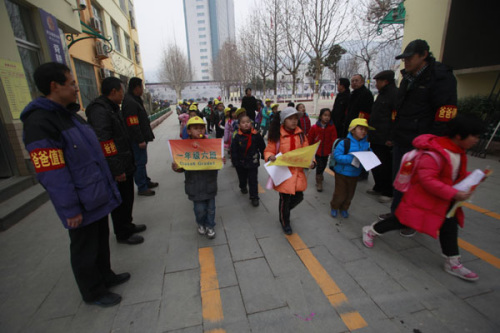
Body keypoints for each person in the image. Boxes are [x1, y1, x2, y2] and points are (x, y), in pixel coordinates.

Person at [21, 62, 128, 307]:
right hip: (80, 200)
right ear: (54, 86)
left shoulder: (69, 115)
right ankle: (93, 292)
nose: (76, 89)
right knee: (85, 248)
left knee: (101, 240)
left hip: (95, 193)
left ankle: (106, 277)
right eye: (71, 84)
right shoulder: (39, 123)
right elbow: (52, 173)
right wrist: (70, 209)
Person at [362, 115, 484, 282]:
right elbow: (428, 180)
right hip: (422, 200)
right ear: (459, 135)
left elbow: (453, 175)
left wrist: (474, 178)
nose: (476, 140)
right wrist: (454, 193)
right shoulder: (434, 152)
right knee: (401, 221)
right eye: (474, 136)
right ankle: (371, 230)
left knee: (449, 226)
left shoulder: (459, 152)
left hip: (444, 200)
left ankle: (453, 261)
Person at [384, 39, 459, 237]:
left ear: (424, 55)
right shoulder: (408, 78)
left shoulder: (441, 78)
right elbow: (398, 110)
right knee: (400, 180)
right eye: (404, 58)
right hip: (402, 139)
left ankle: (410, 221)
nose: (406, 62)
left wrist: (433, 142)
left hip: (423, 143)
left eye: (410, 58)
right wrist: (393, 133)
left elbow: (446, 113)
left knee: (416, 184)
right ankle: (396, 214)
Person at [85, 77, 146, 245]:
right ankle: (123, 233)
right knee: (120, 200)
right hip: (117, 165)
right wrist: (117, 169)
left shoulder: (111, 108)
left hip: (125, 160)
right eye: (121, 90)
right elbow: (105, 142)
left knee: (127, 197)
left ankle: (128, 224)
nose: (122, 94)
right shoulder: (100, 111)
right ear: (113, 92)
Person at [264, 107, 316, 235]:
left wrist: (313, 162)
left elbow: (308, 152)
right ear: (283, 121)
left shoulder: (302, 135)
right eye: (290, 119)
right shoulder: (277, 135)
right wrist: (270, 156)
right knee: (285, 198)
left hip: (297, 173)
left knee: (299, 196)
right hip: (283, 174)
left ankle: (284, 210)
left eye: (295, 119)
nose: (294, 121)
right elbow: (269, 150)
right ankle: (285, 221)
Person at [171, 116, 221, 239]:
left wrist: (221, 160)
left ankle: (210, 225)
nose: (199, 131)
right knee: (199, 210)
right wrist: (176, 167)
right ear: (188, 131)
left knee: (211, 209)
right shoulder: (184, 148)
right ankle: (200, 223)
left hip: (210, 184)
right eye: (195, 128)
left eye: (202, 128)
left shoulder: (211, 145)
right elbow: (181, 168)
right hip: (194, 185)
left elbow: (216, 165)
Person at [121, 77, 158, 196]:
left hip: (141, 137)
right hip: (137, 140)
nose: (142, 89)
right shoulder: (130, 102)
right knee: (139, 162)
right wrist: (140, 140)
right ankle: (142, 187)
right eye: (141, 87)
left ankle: (145, 181)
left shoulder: (135, 99)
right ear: (136, 87)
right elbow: (133, 124)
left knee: (142, 161)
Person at [330, 118, 373, 218]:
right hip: (342, 174)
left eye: (365, 129)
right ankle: (334, 207)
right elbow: (337, 156)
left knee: (350, 194)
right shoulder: (344, 143)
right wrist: (351, 159)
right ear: (353, 130)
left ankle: (344, 208)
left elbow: (367, 155)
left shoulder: (366, 143)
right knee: (339, 194)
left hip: (355, 174)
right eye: (361, 129)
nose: (364, 132)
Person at [367, 70, 398, 203]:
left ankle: (388, 191)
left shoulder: (394, 95)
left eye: (377, 81)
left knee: (386, 166)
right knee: (376, 164)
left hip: (385, 138)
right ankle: (379, 186)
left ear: (385, 81)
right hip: (376, 136)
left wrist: (391, 138)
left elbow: (395, 119)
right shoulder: (381, 95)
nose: (376, 84)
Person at [231, 114, 266, 206]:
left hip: (253, 162)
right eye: (243, 122)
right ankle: (242, 186)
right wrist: (234, 161)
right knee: (242, 178)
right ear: (239, 125)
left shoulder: (256, 135)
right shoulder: (237, 136)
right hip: (240, 162)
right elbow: (233, 149)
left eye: (248, 122)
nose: (246, 124)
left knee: (253, 180)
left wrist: (264, 155)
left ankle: (254, 197)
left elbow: (262, 146)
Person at [307, 108, 338, 192]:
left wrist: (333, 150)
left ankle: (320, 175)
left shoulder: (332, 127)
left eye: (328, 116)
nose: (327, 117)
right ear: (320, 116)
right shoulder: (314, 127)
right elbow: (310, 138)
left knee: (323, 164)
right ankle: (319, 181)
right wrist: (308, 149)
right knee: (319, 165)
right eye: (325, 115)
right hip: (317, 151)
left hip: (327, 151)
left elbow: (334, 139)